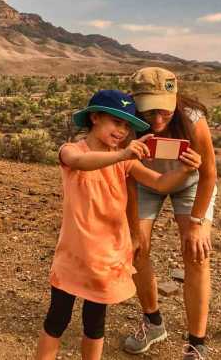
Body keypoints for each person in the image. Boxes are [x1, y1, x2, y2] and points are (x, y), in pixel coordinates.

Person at [35, 89, 202, 360]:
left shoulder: (123, 160)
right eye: (117, 122)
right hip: (74, 257)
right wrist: (124, 155)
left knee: (94, 326)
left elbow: (159, 183)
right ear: (95, 117)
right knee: (56, 321)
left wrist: (185, 170)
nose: (122, 131)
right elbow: (81, 162)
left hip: (107, 260)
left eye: (127, 125)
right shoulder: (72, 150)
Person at [122, 67, 217, 359]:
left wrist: (198, 223)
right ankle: (153, 322)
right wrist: (134, 231)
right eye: (150, 112)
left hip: (190, 182)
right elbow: (126, 177)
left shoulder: (192, 119)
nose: (158, 119)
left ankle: (196, 344)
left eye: (165, 110)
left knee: (196, 253)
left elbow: (210, 173)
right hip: (144, 182)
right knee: (136, 249)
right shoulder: (126, 121)